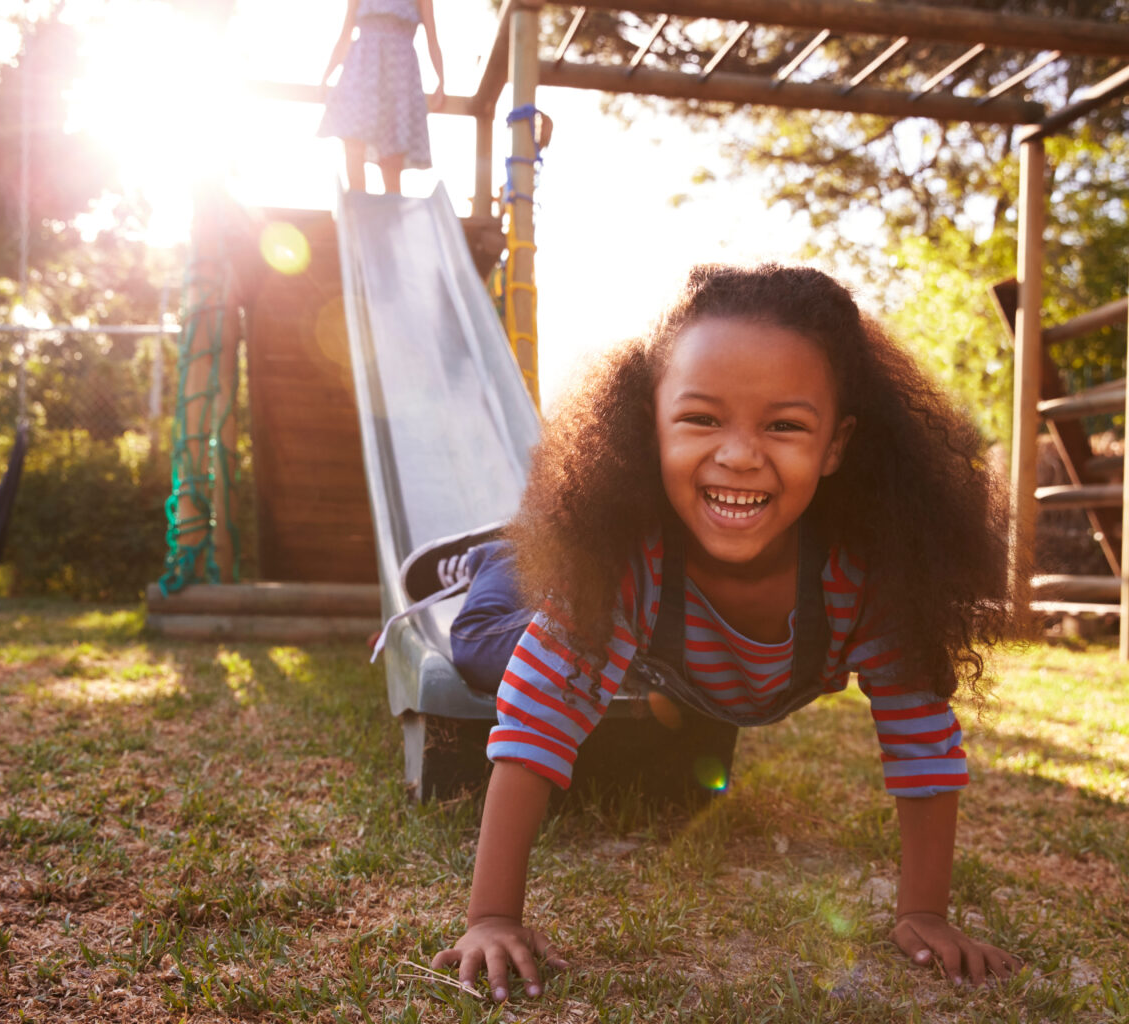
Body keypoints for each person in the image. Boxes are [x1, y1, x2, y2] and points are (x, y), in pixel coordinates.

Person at [428, 262, 1026, 999]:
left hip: (704, 669)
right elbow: (534, 727)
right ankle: (498, 554)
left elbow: (923, 742)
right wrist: (490, 915)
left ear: (836, 445)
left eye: (784, 425)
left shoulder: (870, 577)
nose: (740, 454)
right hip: (598, 614)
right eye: (702, 418)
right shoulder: (624, 564)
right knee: (493, 650)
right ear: (650, 426)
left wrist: (924, 912)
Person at [318, 0, 445, 195]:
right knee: (353, 142)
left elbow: (432, 36)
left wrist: (440, 80)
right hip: (361, 69)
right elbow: (345, 34)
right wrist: (327, 75)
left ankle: (391, 217)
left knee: (392, 160)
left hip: (399, 75)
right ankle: (358, 209)